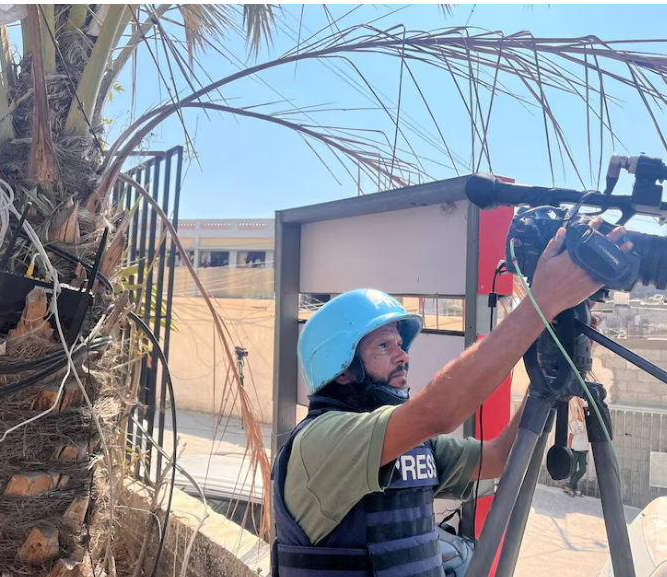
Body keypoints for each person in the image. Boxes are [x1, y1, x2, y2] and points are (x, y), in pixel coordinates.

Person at [271, 221, 632, 577]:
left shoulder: (409, 447)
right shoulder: (321, 442)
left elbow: (501, 457)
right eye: (383, 345)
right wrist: (542, 304)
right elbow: (438, 411)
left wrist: (551, 368)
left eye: (400, 344)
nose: (403, 355)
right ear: (343, 370)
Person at [564, 396, 590, 498]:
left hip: (584, 449)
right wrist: (569, 448)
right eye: (580, 412)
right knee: (573, 469)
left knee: (582, 469)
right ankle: (574, 488)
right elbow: (570, 436)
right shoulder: (574, 423)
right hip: (575, 448)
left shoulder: (586, 423)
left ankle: (569, 486)